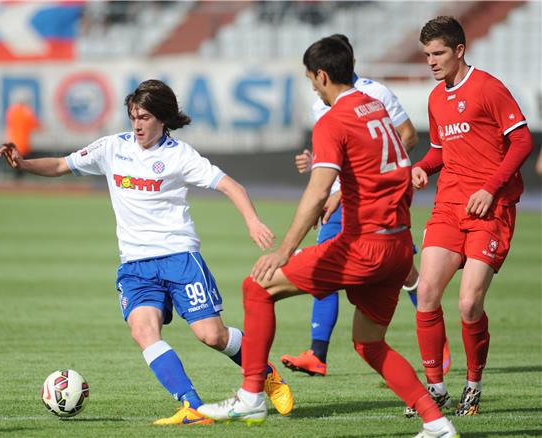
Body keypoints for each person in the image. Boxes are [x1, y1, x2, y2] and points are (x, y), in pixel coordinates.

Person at [198, 36, 459, 438]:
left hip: (364, 245)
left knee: (257, 287)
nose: (313, 88)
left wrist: (284, 250)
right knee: (369, 344)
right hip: (397, 248)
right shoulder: (376, 107)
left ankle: (251, 397)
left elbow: (318, 190)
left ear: (322, 75)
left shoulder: (333, 120)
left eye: (311, 81)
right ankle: (437, 424)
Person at [0, 79, 294, 425]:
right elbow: (63, 165)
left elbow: (230, 185)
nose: (137, 124)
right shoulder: (112, 147)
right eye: (133, 116)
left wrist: (253, 222)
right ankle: (192, 406)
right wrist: (24, 164)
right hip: (135, 265)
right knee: (144, 332)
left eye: (145, 117)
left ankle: (266, 373)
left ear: (163, 119)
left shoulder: (179, 155)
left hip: (179, 258)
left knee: (211, 336)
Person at [280, 34, 451, 379]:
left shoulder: (377, 94)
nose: (313, 83)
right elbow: (342, 148)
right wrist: (318, 163)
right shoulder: (323, 102)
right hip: (340, 197)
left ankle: (439, 347)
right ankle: (317, 353)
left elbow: (406, 135)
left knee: (403, 272)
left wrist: (351, 184)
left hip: (372, 199)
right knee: (324, 265)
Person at [412, 16, 533, 417]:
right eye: (427, 54)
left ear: (459, 50)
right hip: (448, 206)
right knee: (427, 292)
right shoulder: (435, 98)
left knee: (468, 304)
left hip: (491, 209)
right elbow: (441, 151)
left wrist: (490, 187)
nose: (431, 61)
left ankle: (473, 385)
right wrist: (422, 168)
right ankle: (436, 389)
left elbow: (522, 139)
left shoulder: (488, 88)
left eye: (438, 53)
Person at [5, 94, 41, 176]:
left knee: (16, 165)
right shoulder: (27, 112)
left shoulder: (12, 111)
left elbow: (9, 124)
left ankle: (17, 182)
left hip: (13, 141)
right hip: (23, 142)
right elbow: (35, 124)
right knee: (23, 165)